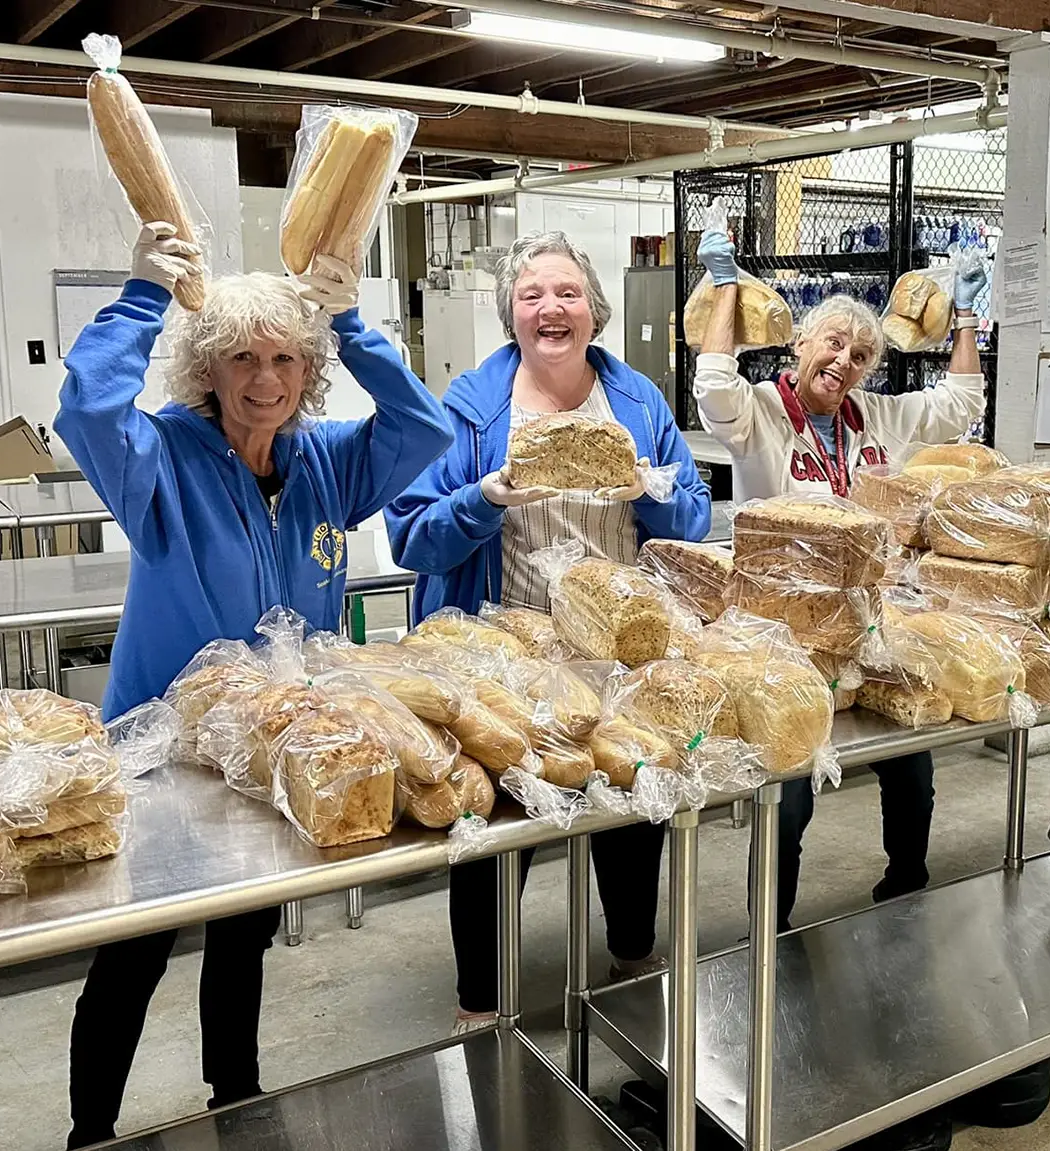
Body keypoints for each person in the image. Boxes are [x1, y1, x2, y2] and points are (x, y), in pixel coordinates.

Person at [55, 221, 454, 1149]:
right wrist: (141, 297)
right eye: (241, 357)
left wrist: (352, 324)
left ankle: (234, 1092)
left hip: (277, 746)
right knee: (133, 951)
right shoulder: (159, 460)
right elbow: (85, 408)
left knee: (244, 935)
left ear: (307, 372)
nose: (265, 378)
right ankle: (90, 1136)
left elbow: (422, 427)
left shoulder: (324, 461)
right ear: (207, 369)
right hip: (160, 754)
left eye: (283, 357)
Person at [387, 231, 712, 1029]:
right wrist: (483, 499)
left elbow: (695, 517)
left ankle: (634, 958)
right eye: (531, 295)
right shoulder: (467, 410)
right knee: (497, 823)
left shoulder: (636, 404)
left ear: (594, 313)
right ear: (511, 318)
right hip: (503, 652)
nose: (550, 308)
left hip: (616, 648)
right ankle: (481, 998)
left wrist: (651, 489)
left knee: (636, 801)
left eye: (566, 292)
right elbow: (408, 534)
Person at [691, 227, 989, 932]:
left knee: (910, 763)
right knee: (790, 790)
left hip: (872, 622)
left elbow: (959, 405)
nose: (843, 362)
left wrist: (971, 316)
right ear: (799, 346)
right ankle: (772, 925)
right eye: (831, 344)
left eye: (859, 355)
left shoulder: (877, 416)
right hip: (785, 634)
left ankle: (906, 886)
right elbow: (713, 386)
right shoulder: (761, 412)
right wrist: (728, 288)